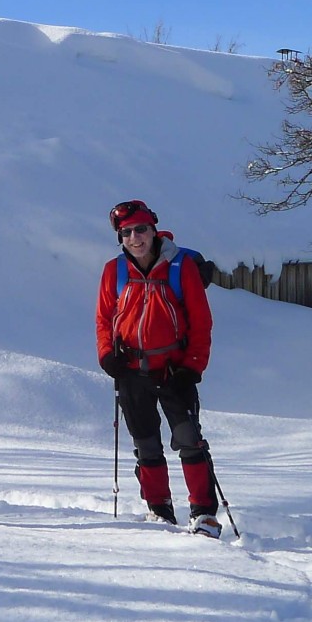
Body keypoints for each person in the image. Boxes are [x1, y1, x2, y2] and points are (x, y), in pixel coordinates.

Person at [94, 199, 222, 536]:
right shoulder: (114, 271)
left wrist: (192, 367)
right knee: (146, 444)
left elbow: (201, 322)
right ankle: (159, 509)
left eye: (140, 230)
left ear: (153, 230)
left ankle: (204, 514)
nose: (134, 238)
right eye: (126, 233)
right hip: (131, 370)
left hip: (173, 371)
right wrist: (107, 355)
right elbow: (104, 319)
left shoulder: (180, 267)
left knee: (189, 440)